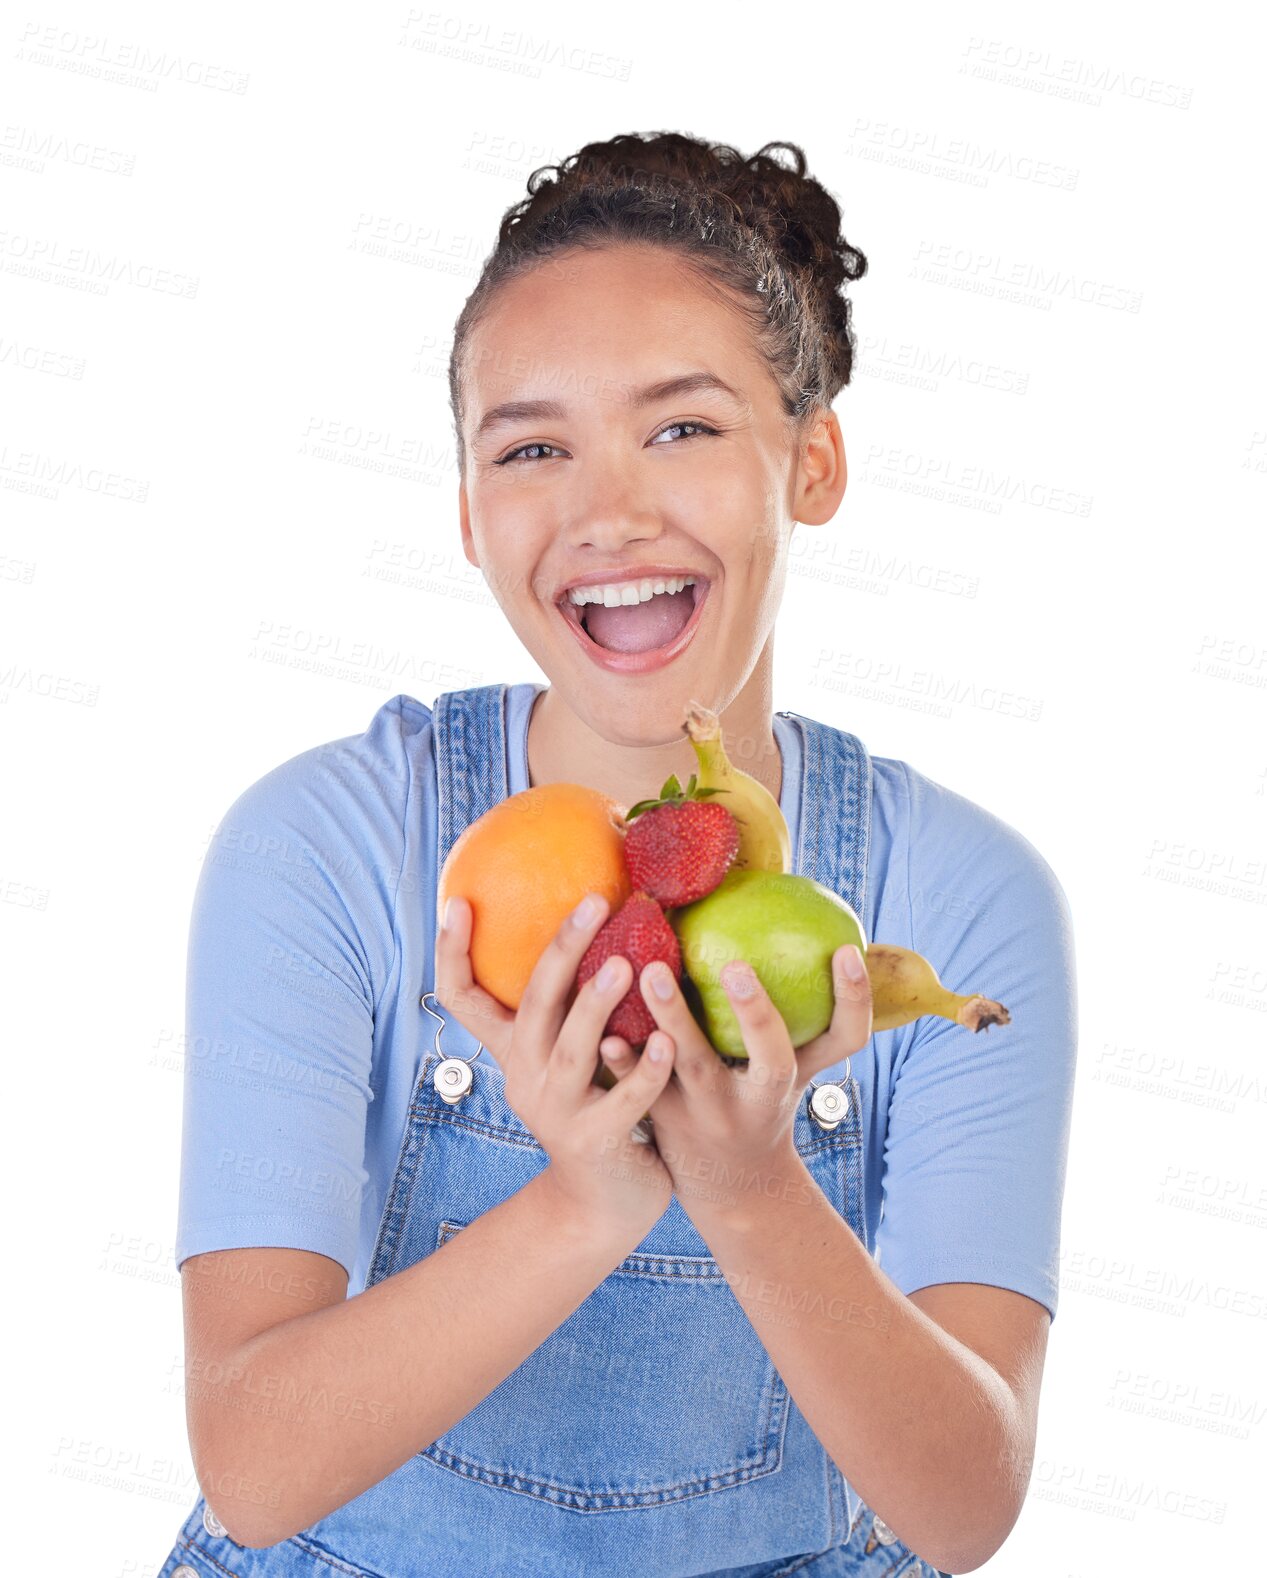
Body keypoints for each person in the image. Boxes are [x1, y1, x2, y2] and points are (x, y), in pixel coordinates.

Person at [158, 132, 1076, 1578]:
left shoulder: (958, 901)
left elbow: (964, 1508)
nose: (608, 512)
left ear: (814, 460)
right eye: (532, 448)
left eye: (685, 427)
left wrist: (754, 1187)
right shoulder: (327, 846)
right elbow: (255, 1466)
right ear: (469, 513)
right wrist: (586, 1196)